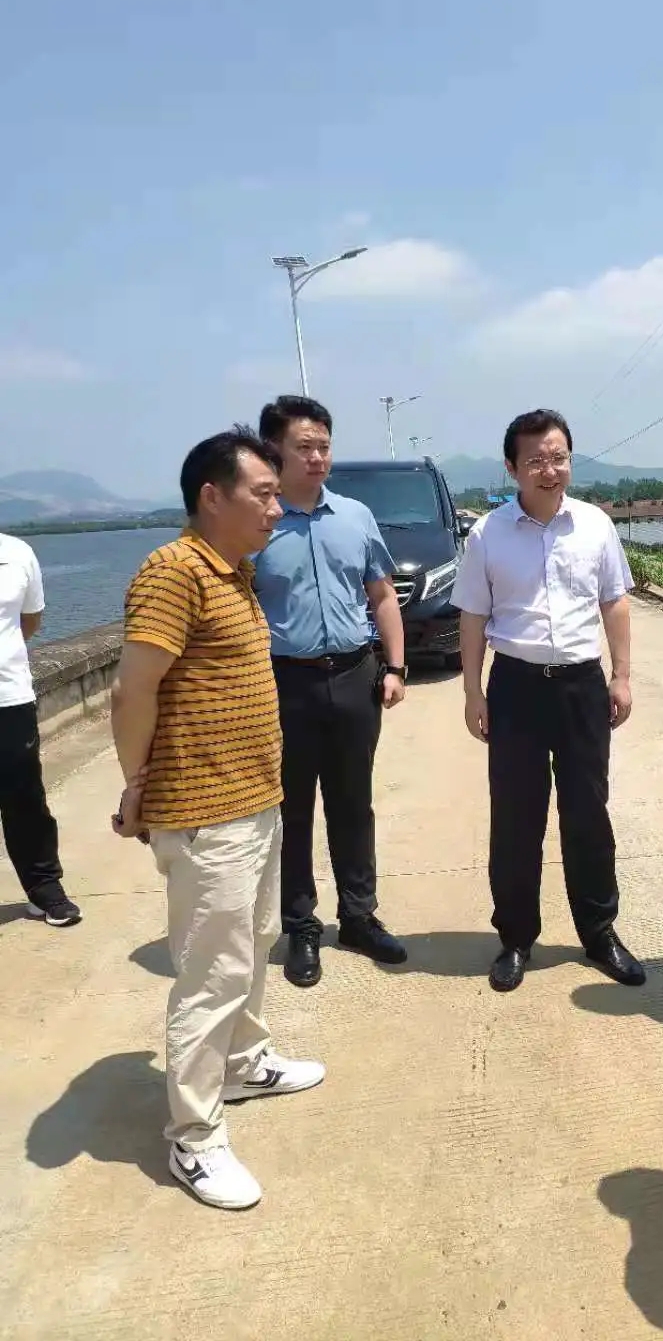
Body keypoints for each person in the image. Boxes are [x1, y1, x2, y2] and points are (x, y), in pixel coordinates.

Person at [110, 427, 325, 1211]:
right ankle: (194, 1137)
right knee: (212, 975)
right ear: (212, 496)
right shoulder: (174, 571)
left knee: (253, 945)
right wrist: (135, 785)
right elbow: (133, 690)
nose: (276, 507)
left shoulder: (233, 571)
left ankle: (243, 1065)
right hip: (205, 814)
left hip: (253, 802)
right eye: (262, 494)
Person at [451, 407, 645, 994]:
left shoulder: (595, 525)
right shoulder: (488, 534)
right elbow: (473, 617)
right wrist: (473, 691)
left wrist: (622, 675)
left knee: (589, 814)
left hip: (582, 685)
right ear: (512, 467)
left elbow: (614, 601)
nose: (549, 469)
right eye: (536, 459)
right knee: (516, 818)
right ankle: (515, 937)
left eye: (558, 457)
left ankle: (600, 932)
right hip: (515, 686)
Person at [254, 394, 407, 989]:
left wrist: (395, 667)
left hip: (353, 676)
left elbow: (382, 595)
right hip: (283, 683)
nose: (318, 457)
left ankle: (359, 917)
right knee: (291, 809)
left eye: (324, 446)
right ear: (274, 451)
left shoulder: (355, 516)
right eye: (304, 447)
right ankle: (300, 926)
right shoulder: (256, 525)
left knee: (352, 802)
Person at [0, 531, 81, 926]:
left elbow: (29, 621)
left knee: (25, 798)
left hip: (8, 696)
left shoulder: (17, 553)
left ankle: (44, 889)